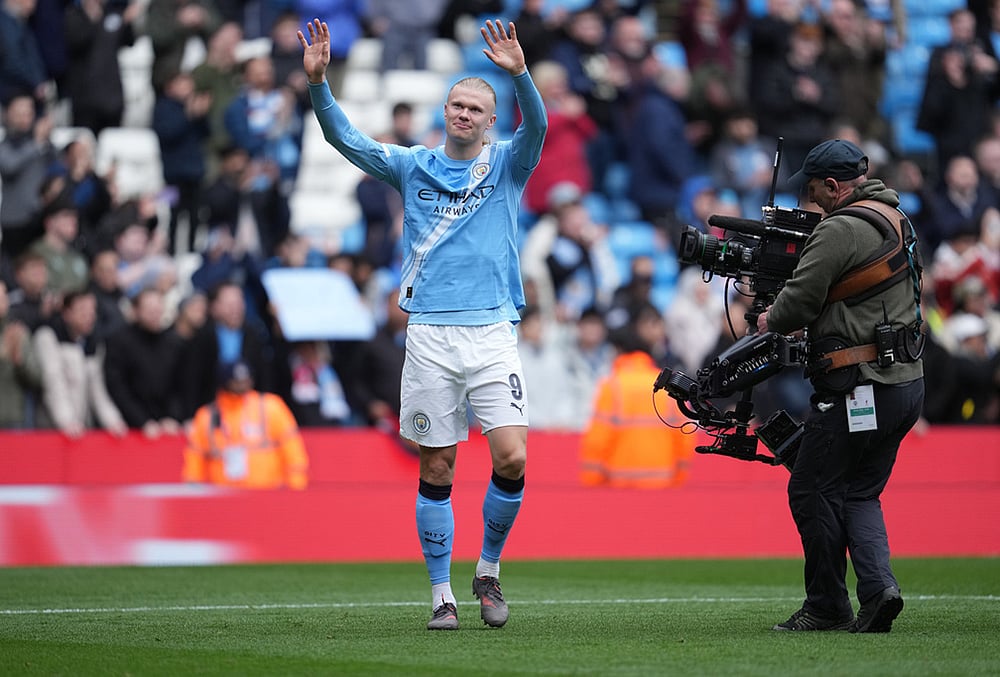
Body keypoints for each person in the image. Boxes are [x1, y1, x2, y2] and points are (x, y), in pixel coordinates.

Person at [299, 17, 546, 630]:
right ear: (446, 111)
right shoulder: (411, 165)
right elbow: (345, 141)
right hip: (430, 334)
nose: (463, 114)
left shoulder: (508, 166)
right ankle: (442, 594)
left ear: (491, 121)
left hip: (492, 331)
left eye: (475, 108)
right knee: (437, 467)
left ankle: (487, 569)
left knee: (512, 458)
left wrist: (520, 74)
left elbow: (538, 126)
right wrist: (319, 86)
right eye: (456, 104)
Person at [756, 139, 925, 633]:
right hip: (906, 383)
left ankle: (828, 604)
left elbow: (797, 304)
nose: (812, 203)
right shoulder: (897, 219)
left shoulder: (839, 228)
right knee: (859, 493)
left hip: (860, 385)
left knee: (811, 489)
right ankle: (879, 592)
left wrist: (770, 315)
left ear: (834, 186)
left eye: (813, 193)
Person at [579, 326, 692, 488]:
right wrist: (678, 479)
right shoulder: (667, 387)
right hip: (662, 485)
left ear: (619, 351)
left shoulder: (612, 386)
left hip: (618, 487)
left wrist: (592, 483)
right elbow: (684, 436)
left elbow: (598, 440)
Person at [183, 359, 309, 489]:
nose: (243, 384)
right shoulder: (207, 416)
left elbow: (294, 451)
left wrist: (296, 489)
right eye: (237, 381)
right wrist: (194, 493)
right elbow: (195, 459)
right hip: (224, 498)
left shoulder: (270, 407)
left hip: (267, 496)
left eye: (246, 379)